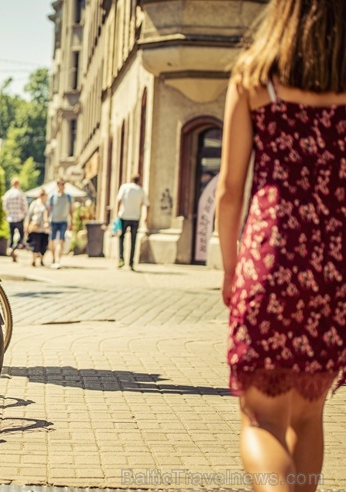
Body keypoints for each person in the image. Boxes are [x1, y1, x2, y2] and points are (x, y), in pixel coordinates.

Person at [215, 1, 346, 489]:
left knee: (260, 418)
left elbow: (230, 191)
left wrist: (231, 271)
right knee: (308, 418)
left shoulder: (254, 78)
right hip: (335, 263)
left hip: (272, 255)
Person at [116, 174, 149, 271]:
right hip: (135, 217)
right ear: (139, 181)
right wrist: (146, 217)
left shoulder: (124, 187)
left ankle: (121, 259)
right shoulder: (141, 190)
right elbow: (147, 204)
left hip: (123, 216)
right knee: (133, 240)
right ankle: (131, 262)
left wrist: (117, 213)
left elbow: (118, 200)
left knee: (121, 238)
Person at [47, 179, 71, 269]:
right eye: (61, 184)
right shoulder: (52, 196)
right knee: (52, 241)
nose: (63, 185)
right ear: (57, 185)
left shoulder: (68, 197)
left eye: (64, 184)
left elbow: (71, 210)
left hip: (63, 221)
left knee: (61, 241)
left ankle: (57, 260)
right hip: (53, 221)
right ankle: (53, 258)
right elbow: (48, 209)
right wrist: (46, 221)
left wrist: (71, 221)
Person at [2, 177, 28, 262]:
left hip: (10, 218)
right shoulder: (20, 194)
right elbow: (25, 206)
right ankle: (14, 248)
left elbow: (5, 207)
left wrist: (9, 213)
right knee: (21, 236)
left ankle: (11, 248)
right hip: (19, 217)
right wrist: (23, 213)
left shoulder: (7, 194)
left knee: (11, 235)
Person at [25, 188, 50, 267]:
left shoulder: (48, 205)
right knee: (35, 245)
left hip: (45, 229)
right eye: (41, 194)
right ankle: (34, 260)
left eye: (43, 194)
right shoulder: (35, 203)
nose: (42, 196)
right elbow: (29, 215)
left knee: (44, 245)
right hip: (36, 228)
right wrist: (26, 225)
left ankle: (42, 260)